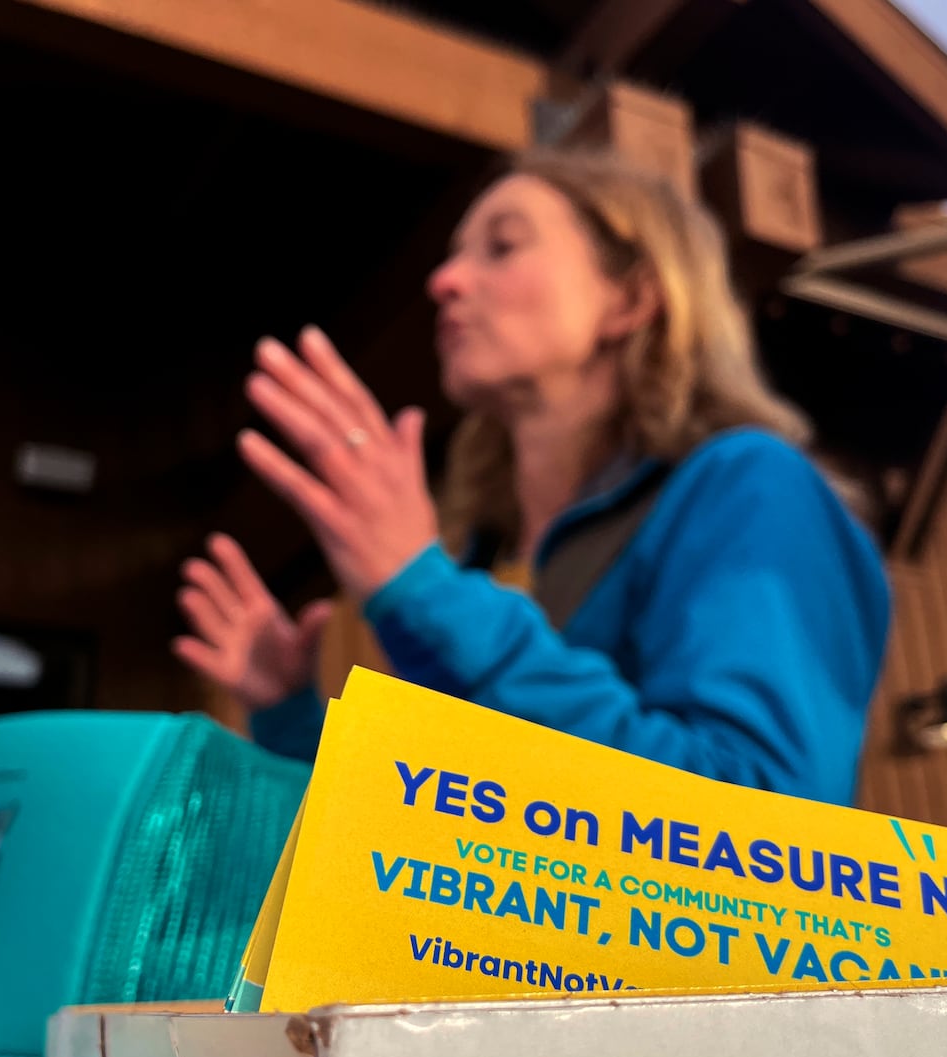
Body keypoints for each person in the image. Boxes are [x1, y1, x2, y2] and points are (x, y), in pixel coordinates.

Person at [172, 148, 891, 807]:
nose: (444, 281)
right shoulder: (480, 564)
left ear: (631, 300)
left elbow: (771, 823)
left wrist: (425, 593)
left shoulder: (750, 486)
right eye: (454, 257)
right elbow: (439, 836)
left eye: (503, 247)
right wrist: (292, 717)